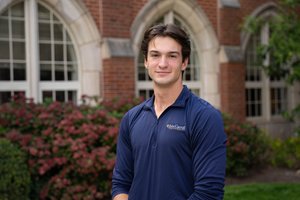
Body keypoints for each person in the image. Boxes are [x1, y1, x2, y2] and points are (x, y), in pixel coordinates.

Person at [111, 24, 227, 200]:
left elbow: (208, 193)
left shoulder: (205, 117)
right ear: (146, 61)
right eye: (155, 55)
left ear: (184, 62)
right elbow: (121, 183)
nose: (162, 64)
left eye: (172, 56)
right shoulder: (131, 118)